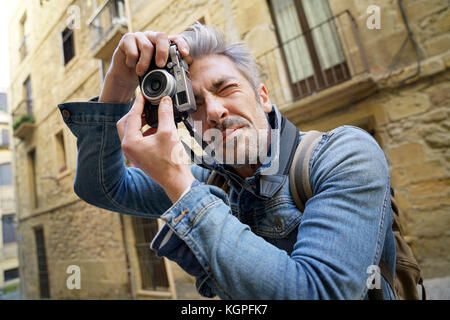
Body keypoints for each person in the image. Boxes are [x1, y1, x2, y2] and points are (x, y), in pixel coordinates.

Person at [58, 23, 396, 299]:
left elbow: (321, 293)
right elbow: (101, 187)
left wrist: (180, 186)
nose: (216, 112)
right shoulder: (205, 180)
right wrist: (117, 85)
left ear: (262, 96)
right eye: (195, 106)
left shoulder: (343, 154)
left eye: (226, 88)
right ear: (187, 125)